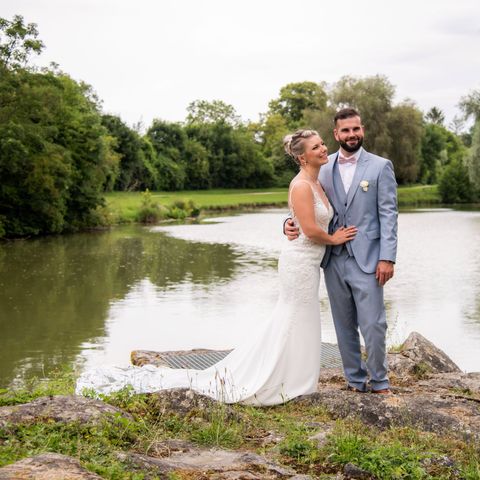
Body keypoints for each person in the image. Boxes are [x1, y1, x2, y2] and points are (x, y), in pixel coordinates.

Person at [75, 129, 357, 406]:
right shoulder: (300, 185)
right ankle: (280, 380)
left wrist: (288, 222)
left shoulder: (319, 180)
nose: (323, 149)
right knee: (294, 316)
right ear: (302, 157)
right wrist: (334, 238)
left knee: (300, 318)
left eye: (322, 144)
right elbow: (308, 228)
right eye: (316, 147)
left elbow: (300, 217)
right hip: (298, 262)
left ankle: (296, 379)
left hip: (309, 263)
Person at [284, 108, 398, 394]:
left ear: (362, 130)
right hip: (332, 259)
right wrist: (288, 223)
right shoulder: (323, 164)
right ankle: (355, 381)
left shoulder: (380, 166)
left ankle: (380, 380)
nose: (351, 135)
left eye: (355, 129)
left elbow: (389, 215)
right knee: (343, 325)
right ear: (336, 134)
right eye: (345, 131)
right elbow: (304, 202)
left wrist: (387, 257)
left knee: (373, 324)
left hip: (369, 260)